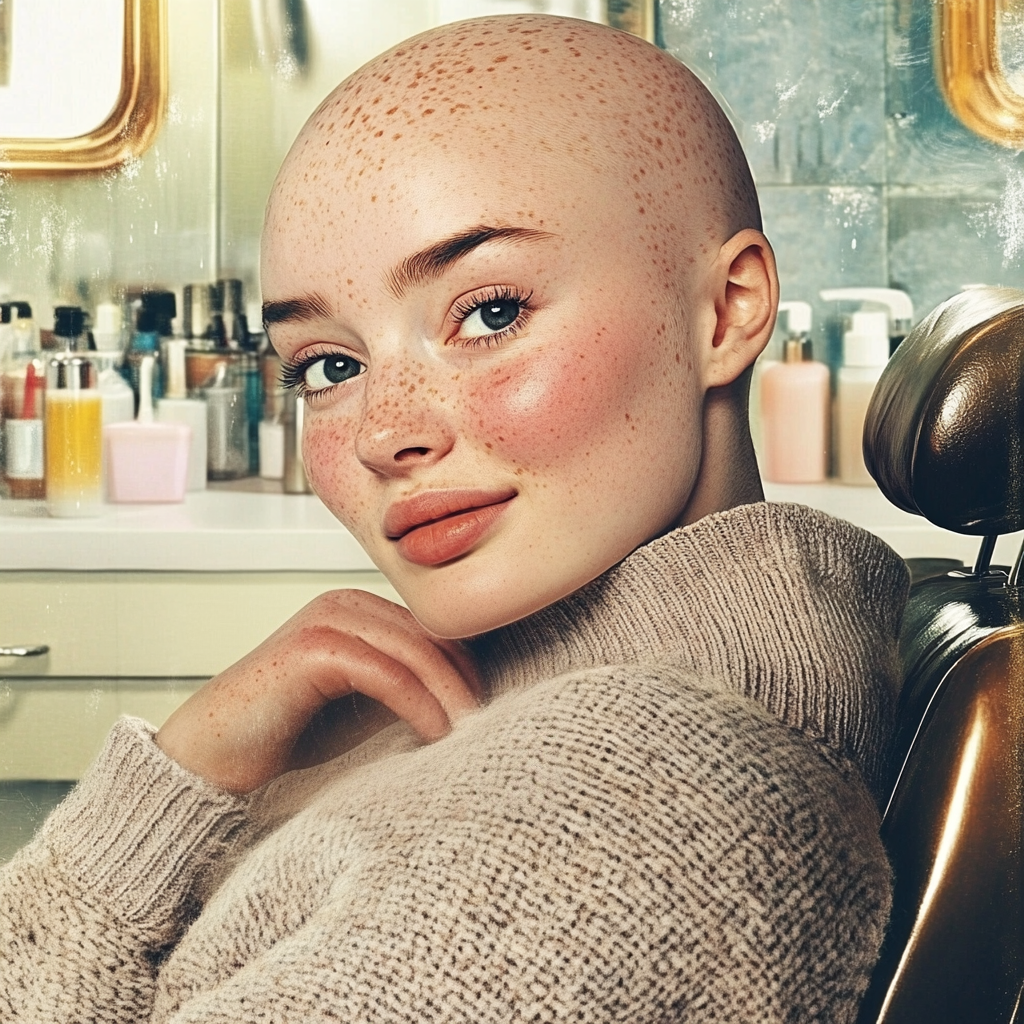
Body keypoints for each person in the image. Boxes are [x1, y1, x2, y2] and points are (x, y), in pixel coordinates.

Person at [0, 14, 909, 1022]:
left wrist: (154, 802)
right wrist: (186, 770)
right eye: (330, 367)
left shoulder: (632, 817)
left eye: (489, 313)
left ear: (727, 311)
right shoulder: (556, 696)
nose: (386, 433)